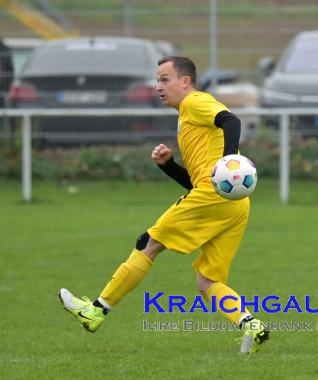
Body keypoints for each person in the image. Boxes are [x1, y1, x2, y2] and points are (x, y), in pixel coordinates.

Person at [58, 56, 270, 354]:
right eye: (157, 80)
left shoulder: (196, 102)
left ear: (185, 81)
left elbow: (230, 120)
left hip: (214, 195)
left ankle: (96, 310)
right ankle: (250, 324)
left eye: (164, 79)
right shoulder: (186, 117)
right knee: (209, 281)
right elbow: (196, 183)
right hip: (233, 202)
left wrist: (229, 160)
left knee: (148, 244)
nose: (158, 86)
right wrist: (169, 166)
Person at [0, 37, 14, 108]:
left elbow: (10, 71)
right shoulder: (5, 49)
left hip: (2, 88)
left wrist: (7, 87)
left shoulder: (5, 49)